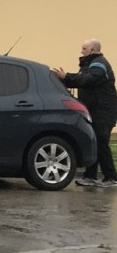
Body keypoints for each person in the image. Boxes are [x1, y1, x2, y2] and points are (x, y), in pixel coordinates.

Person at [52, 39, 117, 188]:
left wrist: (66, 77)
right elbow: (80, 80)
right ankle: (90, 177)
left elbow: (87, 81)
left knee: (101, 142)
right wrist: (64, 79)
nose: (81, 51)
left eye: (84, 48)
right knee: (93, 141)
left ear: (93, 50)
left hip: (103, 112)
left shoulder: (99, 64)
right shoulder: (89, 65)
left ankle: (111, 177)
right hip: (93, 110)